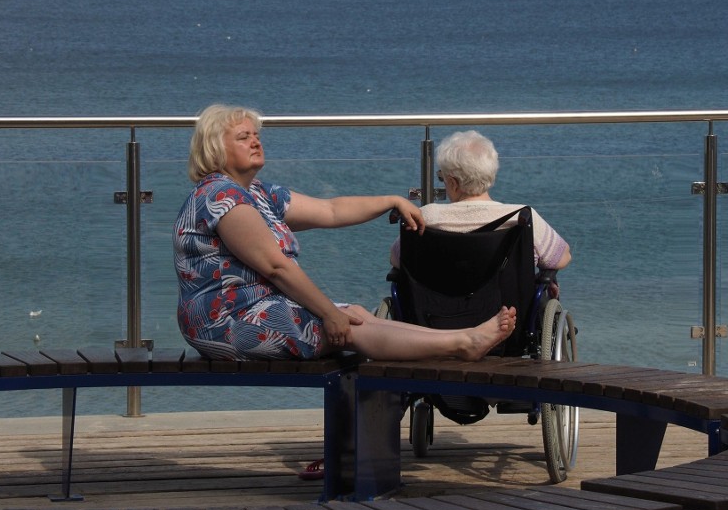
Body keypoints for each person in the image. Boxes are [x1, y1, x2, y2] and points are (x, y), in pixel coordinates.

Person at [173, 104, 516, 363]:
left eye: (257, 135)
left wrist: (391, 200)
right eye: (243, 137)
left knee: (358, 314)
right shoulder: (221, 197)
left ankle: (463, 337)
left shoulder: (260, 193)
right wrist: (328, 313)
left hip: (260, 308)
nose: (256, 141)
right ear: (216, 148)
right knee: (346, 326)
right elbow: (276, 267)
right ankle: (462, 344)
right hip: (224, 324)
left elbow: (331, 210)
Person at [390, 130, 571, 278]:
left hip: (431, 317)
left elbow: (396, 259)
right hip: (508, 314)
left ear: (453, 183)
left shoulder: (425, 217)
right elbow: (562, 257)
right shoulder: (521, 217)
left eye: (441, 177)